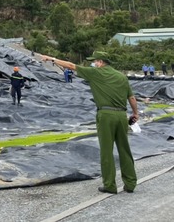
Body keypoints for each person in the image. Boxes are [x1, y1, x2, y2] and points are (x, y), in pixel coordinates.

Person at [41, 50, 138, 194]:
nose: (93, 63)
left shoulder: (95, 73)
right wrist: (135, 113)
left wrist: (51, 59)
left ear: (100, 62)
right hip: (122, 115)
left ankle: (110, 185)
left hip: (105, 114)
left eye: (94, 61)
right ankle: (130, 184)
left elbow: (70, 65)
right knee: (125, 149)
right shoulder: (121, 77)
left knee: (106, 151)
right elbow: (131, 98)